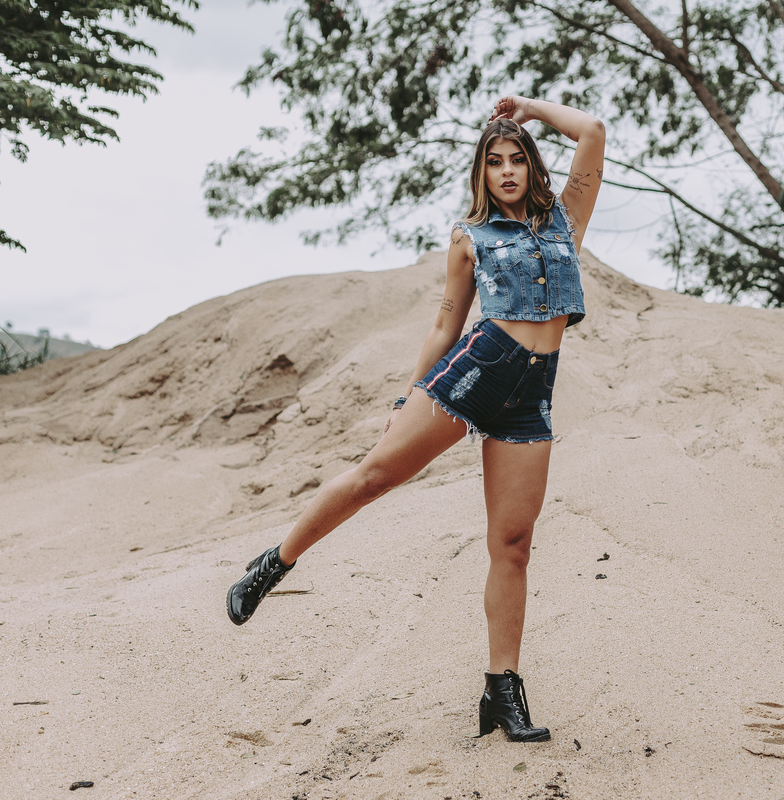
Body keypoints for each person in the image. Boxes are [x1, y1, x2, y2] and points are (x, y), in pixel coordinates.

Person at [227, 95, 605, 743]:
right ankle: (274, 563)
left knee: (513, 544)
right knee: (375, 476)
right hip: (477, 369)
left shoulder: (566, 219)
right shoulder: (470, 237)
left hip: (532, 393)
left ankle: (502, 692)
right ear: (481, 172)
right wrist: (407, 398)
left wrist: (529, 110)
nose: (507, 171)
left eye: (516, 159)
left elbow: (592, 130)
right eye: (494, 162)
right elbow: (445, 325)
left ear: (532, 166)